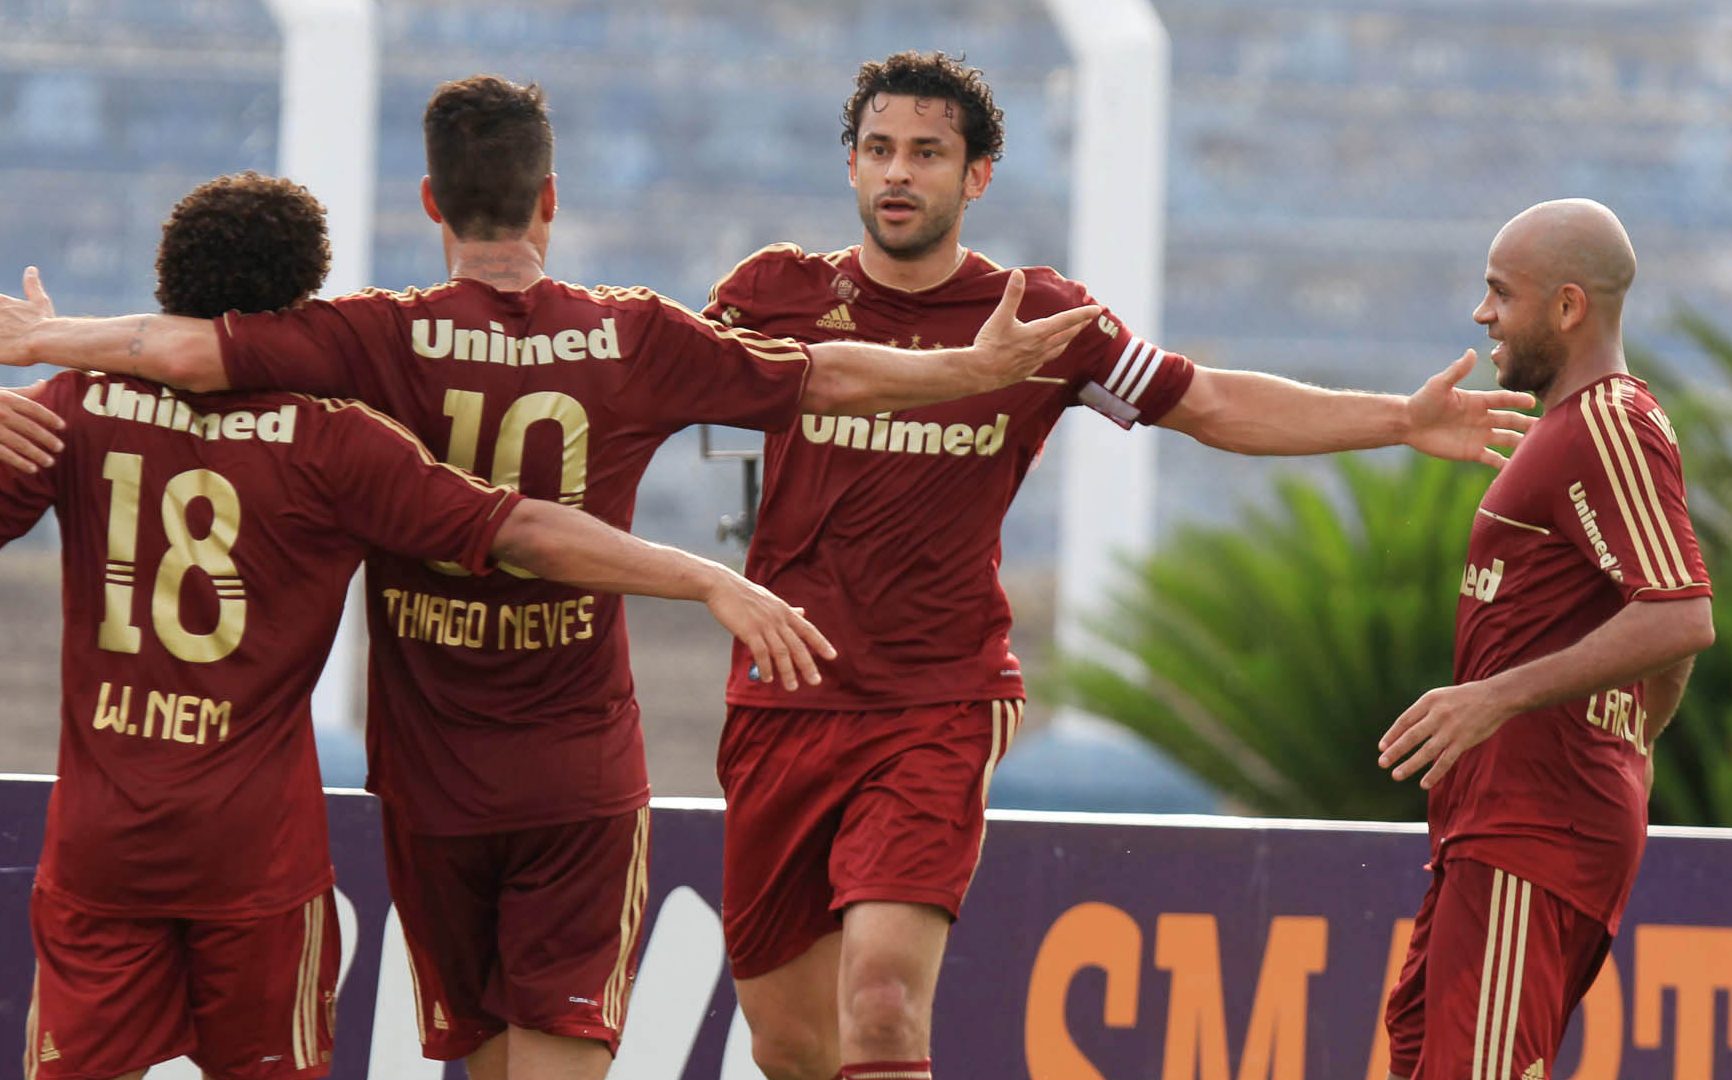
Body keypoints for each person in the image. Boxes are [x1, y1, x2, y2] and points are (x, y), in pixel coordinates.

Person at [0, 76, 1095, 1080]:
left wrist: (49, 339)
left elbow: (186, 354)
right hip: (568, 772)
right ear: (551, 197)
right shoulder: (623, 338)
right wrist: (966, 370)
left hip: (416, 778)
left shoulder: (365, 341)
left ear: (429, 200)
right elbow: (814, 379)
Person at [701, 51, 1543, 1080]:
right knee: (789, 1047)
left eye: (927, 153)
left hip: (935, 701)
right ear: (850, 166)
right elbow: (643, 398)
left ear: (976, 179)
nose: (899, 174)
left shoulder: (1046, 320)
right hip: (782, 702)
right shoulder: (769, 296)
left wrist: (1397, 420)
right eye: (879, 150)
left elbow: (1209, 403)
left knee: (881, 1005)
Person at [3, 172, 832, 1080]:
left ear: (167, 287)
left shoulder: (76, 407)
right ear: (295, 307)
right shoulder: (338, 444)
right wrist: (706, 577)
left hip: (101, 850)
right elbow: (524, 531)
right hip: (257, 859)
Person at [1375, 199, 1713, 1080]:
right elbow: (1662, 620)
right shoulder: (1570, 428)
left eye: (1500, 293)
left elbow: (1681, 614)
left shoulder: (1611, 422)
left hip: (1535, 829)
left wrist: (1502, 698)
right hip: (1494, 826)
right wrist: (1628, 737)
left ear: (1568, 308)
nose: (1482, 314)